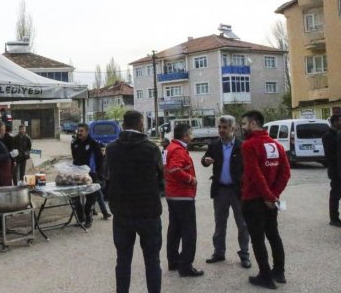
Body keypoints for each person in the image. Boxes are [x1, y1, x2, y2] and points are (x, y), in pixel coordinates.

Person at [107, 110, 164, 293]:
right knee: (152, 260)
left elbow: (105, 178)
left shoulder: (111, 149)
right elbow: (162, 180)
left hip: (122, 214)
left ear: (123, 125)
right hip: (148, 212)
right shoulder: (151, 149)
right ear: (141, 125)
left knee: (122, 260)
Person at [239, 110, 291, 289]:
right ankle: (279, 271)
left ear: (253, 124)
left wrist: (268, 196)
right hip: (270, 201)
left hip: (253, 200)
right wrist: (274, 196)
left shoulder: (248, 145)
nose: (242, 127)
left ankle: (265, 276)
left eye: (244, 124)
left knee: (258, 239)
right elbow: (285, 173)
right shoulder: (276, 145)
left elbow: (255, 174)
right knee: (273, 235)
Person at [200, 115, 251, 268]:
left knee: (242, 224)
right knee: (219, 224)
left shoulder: (243, 146)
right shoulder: (214, 145)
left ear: (233, 129)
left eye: (224, 127)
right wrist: (205, 161)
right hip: (220, 190)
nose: (221, 130)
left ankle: (244, 254)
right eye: (219, 127)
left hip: (238, 191)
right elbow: (204, 160)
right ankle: (219, 253)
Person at [163, 123, 203, 277]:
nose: (192, 137)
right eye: (191, 134)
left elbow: (165, 168)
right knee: (188, 231)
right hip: (182, 195)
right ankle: (186, 265)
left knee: (175, 228)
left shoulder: (169, 148)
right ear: (185, 136)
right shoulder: (179, 150)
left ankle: (173, 260)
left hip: (172, 194)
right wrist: (190, 179)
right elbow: (175, 169)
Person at [70, 123, 104, 228]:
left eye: (81, 131)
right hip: (77, 175)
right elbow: (74, 158)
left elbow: (100, 161)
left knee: (90, 198)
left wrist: (99, 176)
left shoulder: (93, 144)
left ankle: (89, 219)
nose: (79, 133)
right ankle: (80, 218)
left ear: (87, 131)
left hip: (91, 175)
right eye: (78, 131)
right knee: (74, 197)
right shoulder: (74, 143)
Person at [323, 114, 341, 227]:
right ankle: (334, 218)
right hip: (336, 170)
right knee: (336, 194)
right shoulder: (328, 136)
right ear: (334, 123)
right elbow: (332, 155)